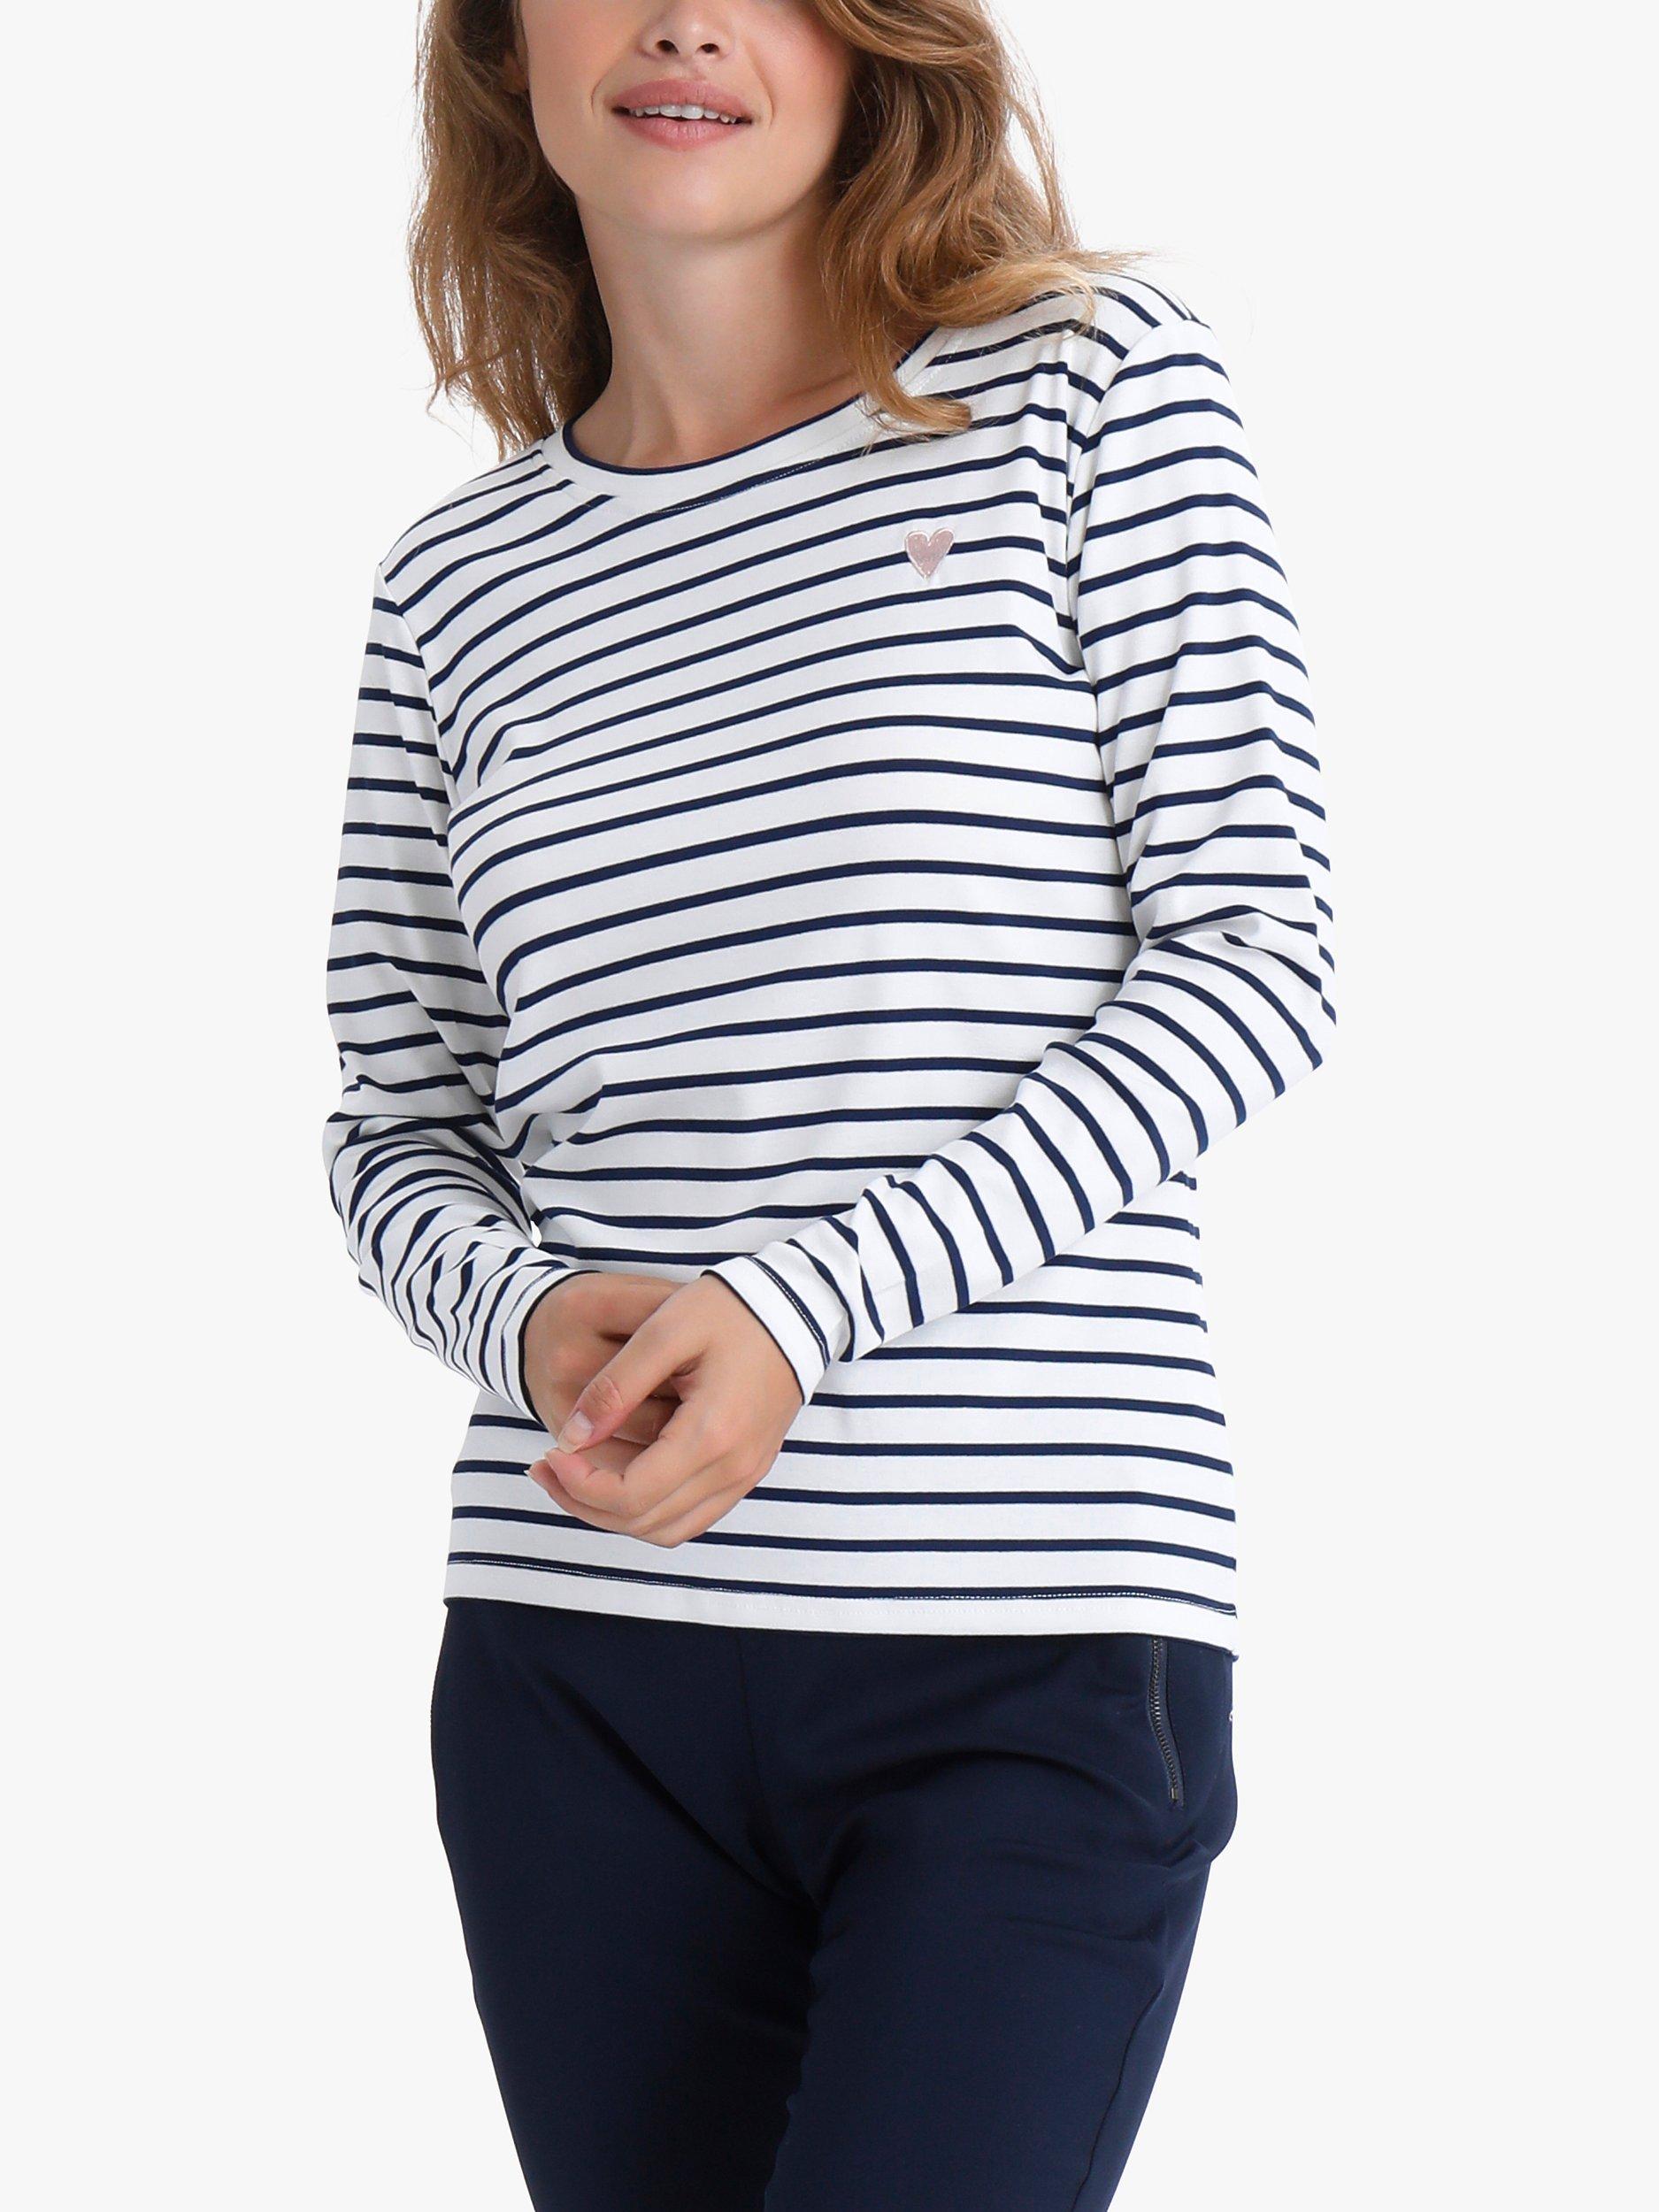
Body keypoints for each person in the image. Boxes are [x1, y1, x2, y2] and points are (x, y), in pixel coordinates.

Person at [319, 4, 1337, 2205]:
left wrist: (802, 1304)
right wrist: (527, 1314)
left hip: (1020, 1646)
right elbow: (395, 1118)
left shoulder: (1086, 391)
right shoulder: (454, 585)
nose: (686, 18)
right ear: (504, 39)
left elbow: (1254, 958)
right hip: (575, 1666)